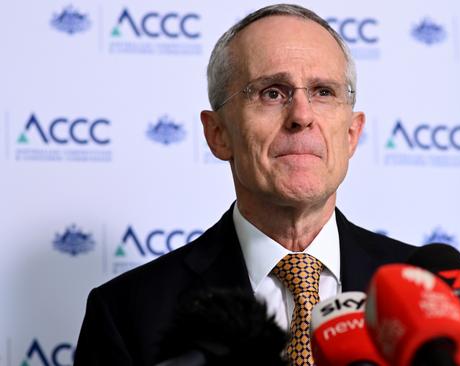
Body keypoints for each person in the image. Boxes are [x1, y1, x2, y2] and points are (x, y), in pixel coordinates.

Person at [74, 4, 414, 365]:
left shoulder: (428, 291)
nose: (301, 116)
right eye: (272, 92)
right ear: (218, 133)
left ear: (351, 134)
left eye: (323, 92)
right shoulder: (128, 313)